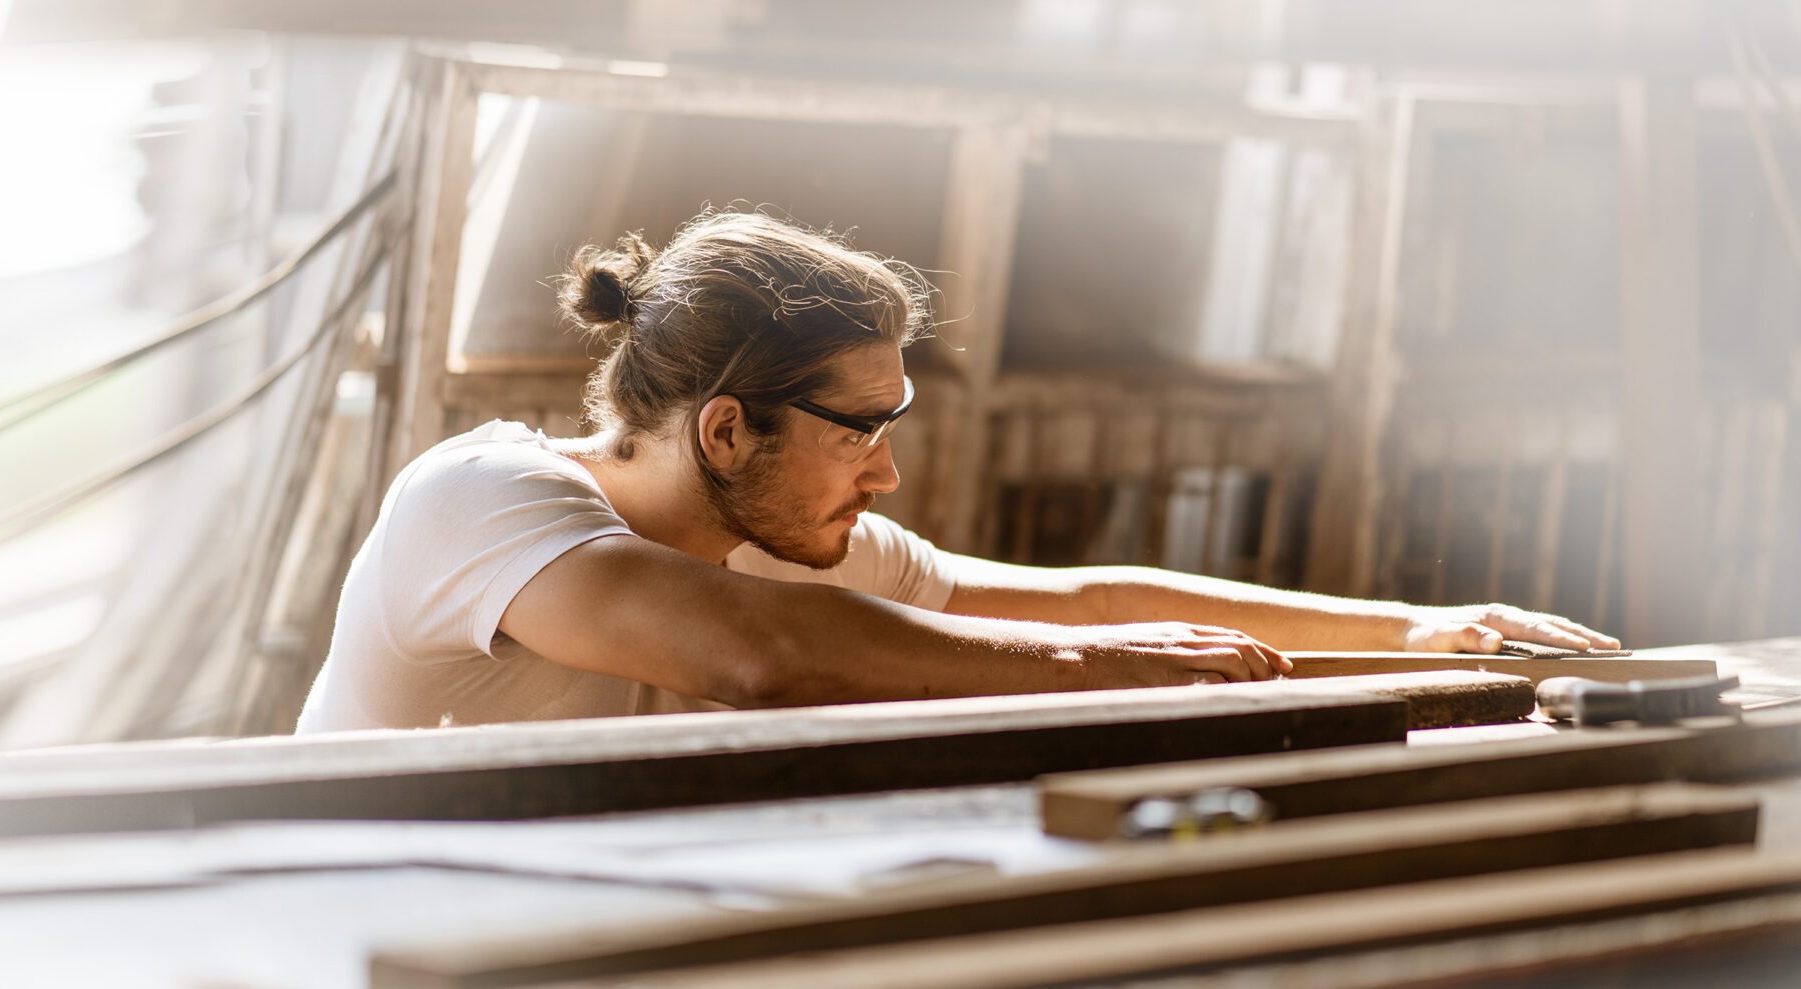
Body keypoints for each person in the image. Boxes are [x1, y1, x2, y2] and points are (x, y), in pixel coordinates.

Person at [295, 209, 1618, 733]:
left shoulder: (785, 539)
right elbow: (754, 656)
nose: (885, 472)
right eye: (859, 427)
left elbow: (1079, 602)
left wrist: (1424, 630)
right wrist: (1114, 677)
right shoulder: (481, 501)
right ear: (724, 431)